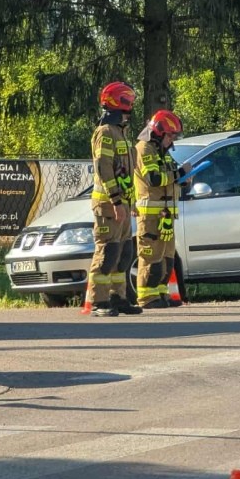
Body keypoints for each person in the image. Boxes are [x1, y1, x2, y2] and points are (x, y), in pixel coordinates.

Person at [88, 82, 141, 317]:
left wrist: (131, 203)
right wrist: (116, 201)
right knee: (107, 253)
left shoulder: (120, 132)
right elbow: (104, 167)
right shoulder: (106, 132)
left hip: (122, 205)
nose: (131, 107)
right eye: (129, 102)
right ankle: (98, 302)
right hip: (109, 205)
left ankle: (117, 297)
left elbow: (126, 173)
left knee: (124, 253)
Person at [133, 110, 185, 310]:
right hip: (150, 215)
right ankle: (146, 298)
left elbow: (170, 176)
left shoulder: (162, 153)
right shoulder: (144, 149)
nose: (172, 141)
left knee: (167, 257)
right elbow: (154, 179)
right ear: (158, 132)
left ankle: (161, 294)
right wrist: (179, 173)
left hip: (165, 215)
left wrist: (183, 180)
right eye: (170, 136)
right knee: (151, 258)